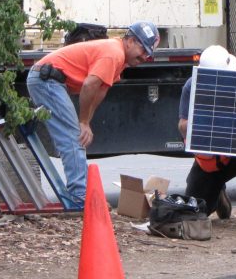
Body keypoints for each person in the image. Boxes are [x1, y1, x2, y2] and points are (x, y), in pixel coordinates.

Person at [27, 20, 159, 208]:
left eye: (148, 53)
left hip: (49, 80)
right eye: (143, 49)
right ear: (129, 40)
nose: (145, 56)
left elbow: (100, 91)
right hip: (47, 80)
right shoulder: (114, 53)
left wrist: (86, 122)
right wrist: (82, 122)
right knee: (74, 138)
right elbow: (89, 85)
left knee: (77, 135)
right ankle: (79, 196)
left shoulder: (119, 59)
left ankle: (80, 194)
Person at [178, 45, 236, 230]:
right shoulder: (192, 86)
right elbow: (182, 126)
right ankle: (218, 194)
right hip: (211, 158)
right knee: (197, 211)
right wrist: (203, 122)